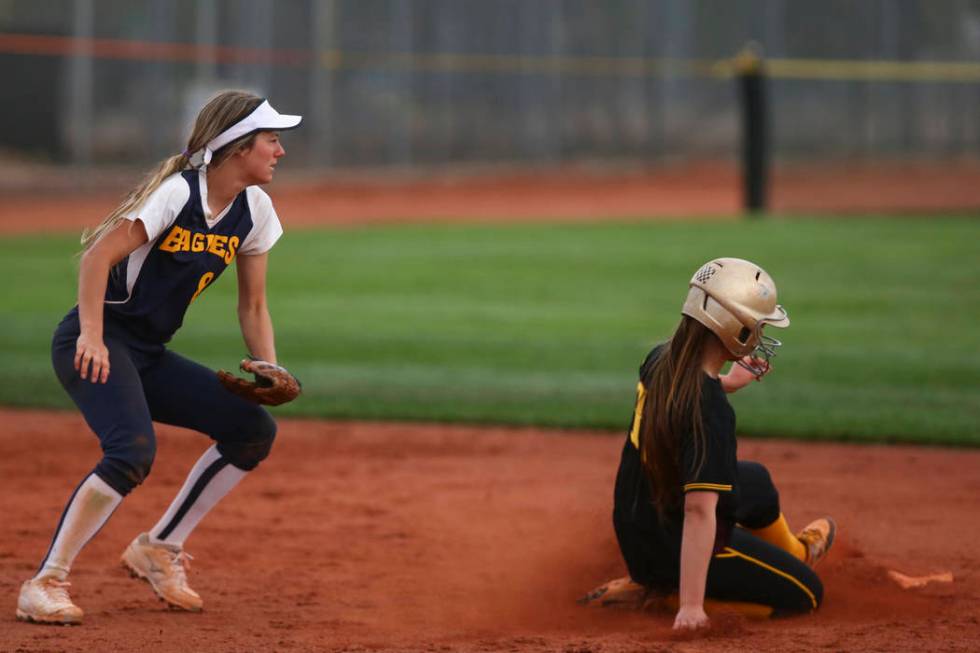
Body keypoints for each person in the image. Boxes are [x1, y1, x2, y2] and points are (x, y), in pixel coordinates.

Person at [16, 90, 303, 625]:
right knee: (130, 451)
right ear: (239, 147)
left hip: (147, 352)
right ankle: (45, 582)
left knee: (251, 429)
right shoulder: (178, 193)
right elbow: (98, 255)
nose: (279, 151)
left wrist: (271, 368)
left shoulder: (255, 210)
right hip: (95, 338)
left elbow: (254, 304)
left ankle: (159, 547)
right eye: (272, 140)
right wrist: (93, 337)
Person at [607, 257, 836, 630]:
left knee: (755, 482)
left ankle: (797, 552)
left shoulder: (662, 357)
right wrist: (690, 606)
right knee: (806, 594)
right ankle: (661, 593)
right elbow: (699, 511)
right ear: (736, 328)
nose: (760, 333)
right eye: (757, 324)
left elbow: (680, 398)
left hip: (639, 516)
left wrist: (727, 382)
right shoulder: (708, 412)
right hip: (669, 544)